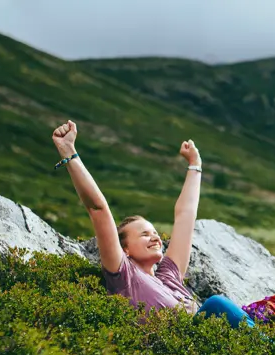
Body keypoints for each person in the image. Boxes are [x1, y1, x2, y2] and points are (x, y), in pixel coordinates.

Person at [51, 120, 254, 329]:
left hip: (215, 349)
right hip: (178, 350)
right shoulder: (123, 276)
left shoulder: (169, 276)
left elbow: (186, 215)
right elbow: (97, 209)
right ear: (125, 249)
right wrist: (68, 151)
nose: (155, 237)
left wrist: (195, 164)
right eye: (144, 234)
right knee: (216, 303)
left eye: (155, 232)